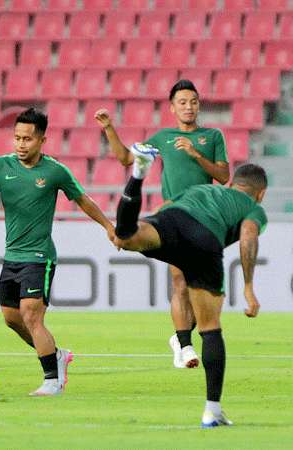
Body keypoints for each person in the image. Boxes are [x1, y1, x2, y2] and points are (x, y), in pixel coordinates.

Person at [0, 108, 114, 396]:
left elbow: (83, 200)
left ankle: (52, 380)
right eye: (17, 138)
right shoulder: (0, 166)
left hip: (40, 257)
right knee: (11, 318)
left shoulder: (54, 171)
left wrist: (108, 226)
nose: (21, 144)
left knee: (32, 316)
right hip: (12, 256)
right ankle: (55, 354)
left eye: (28, 139)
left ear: (42, 140)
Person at [111, 144, 266, 428]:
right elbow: (248, 235)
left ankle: (138, 174)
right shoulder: (253, 207)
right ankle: (212, 410)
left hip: (171, 221)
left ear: (231, 184)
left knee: (125, 233)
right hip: (205, 239)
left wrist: (136, 235)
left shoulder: (201, 190)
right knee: (210, 328)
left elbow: (166, 209)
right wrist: (248, 286)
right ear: (261, 193)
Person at [94, 79, 230, 369]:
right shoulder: (163, 137)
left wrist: (195, 154)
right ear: (172, 108)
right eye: (182, 102)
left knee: (200, 289)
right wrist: (109, 128)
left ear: (199, 105)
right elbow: (125, 159)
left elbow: (223, 175)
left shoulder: (212, 136)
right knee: (179, 280)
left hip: (205, 217)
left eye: (193, 101)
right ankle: (185, 346)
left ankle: (181, 339)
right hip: (175, 215)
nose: (189, 107)